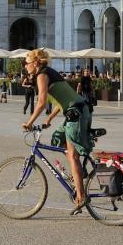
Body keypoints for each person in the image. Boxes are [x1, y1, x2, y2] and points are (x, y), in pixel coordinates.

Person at [21, 48, 92, 214]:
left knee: (72, 155)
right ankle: (77, 175)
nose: (25, 66)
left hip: (77, 113)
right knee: (57, 139)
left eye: (27, 63)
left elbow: (42, 102)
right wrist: (49, 119)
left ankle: (80, 196)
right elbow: (64, 99)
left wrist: (29, 122)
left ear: (36, 63)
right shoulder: (50, 72)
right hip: (77, 110)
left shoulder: (42, 75)